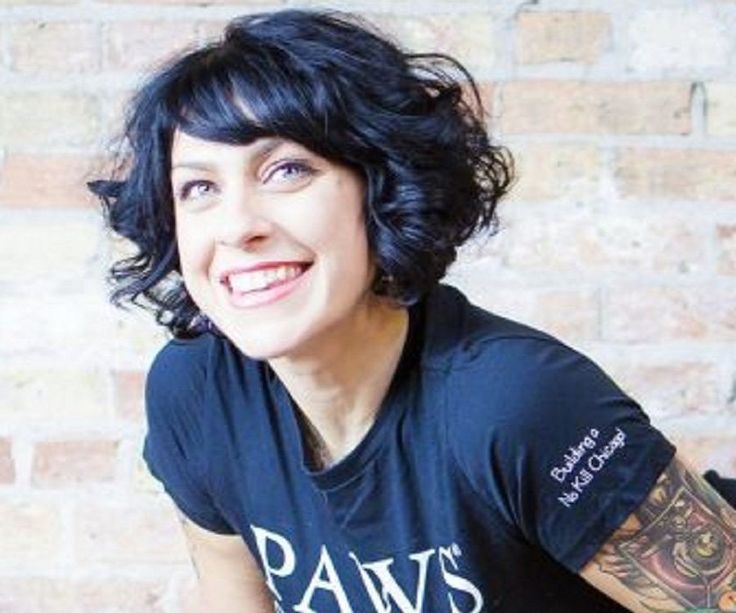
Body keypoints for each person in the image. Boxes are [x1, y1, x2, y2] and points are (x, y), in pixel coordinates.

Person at [89, 9, 736, 612]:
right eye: (199, 187)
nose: (237, 226)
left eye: (287, 170)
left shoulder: (513, 404)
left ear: (383, 187)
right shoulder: (200, 395)